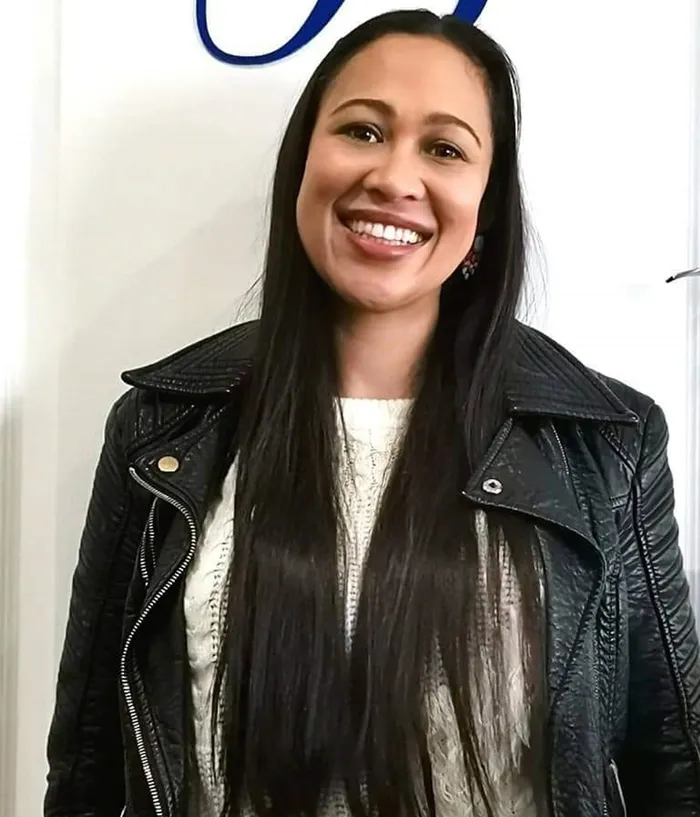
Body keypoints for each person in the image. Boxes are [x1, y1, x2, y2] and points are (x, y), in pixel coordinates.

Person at [44, 9, 700, 817]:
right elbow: (87, 767)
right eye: (362, 131)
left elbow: (675, 764)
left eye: (445, 149)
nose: (394, 176)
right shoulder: (159, 430)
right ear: (303, 160)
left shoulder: (607, 446)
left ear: (487, 206)